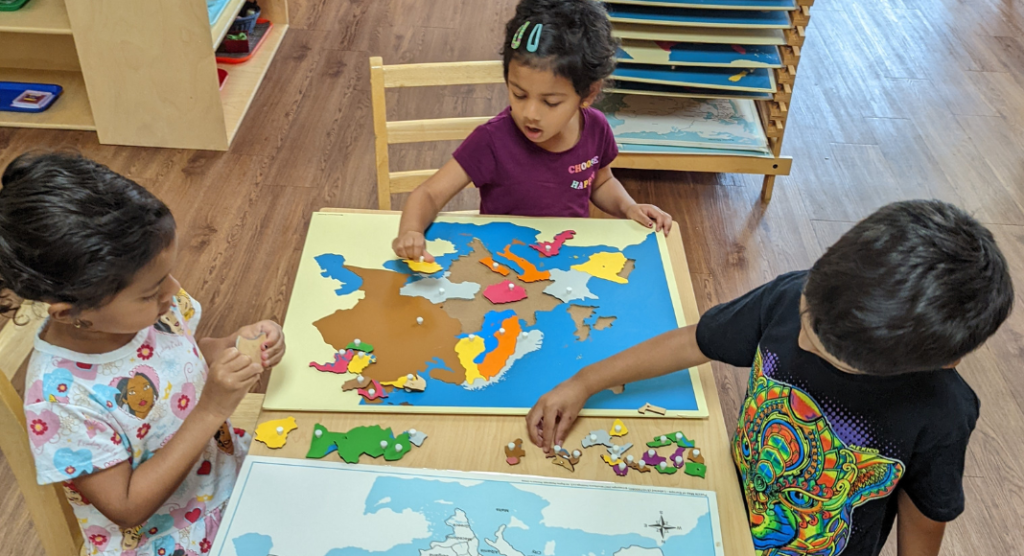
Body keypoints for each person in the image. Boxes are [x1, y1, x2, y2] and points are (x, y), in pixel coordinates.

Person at [527, 200, 1014, 556]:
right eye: (807, 317)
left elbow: (926, 512)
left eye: (827, 352)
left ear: (939, 362)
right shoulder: (798, 295)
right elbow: (697, 340)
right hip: (727, 506)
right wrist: (585, 380)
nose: (801, 338)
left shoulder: (940, 408)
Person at [2, 152, 286, 556]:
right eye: (152, 290)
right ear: (73, 314)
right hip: (169, 536)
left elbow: (182, 357)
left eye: (166, 276)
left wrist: (232, 348)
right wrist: (210, 410)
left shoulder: (153, 309)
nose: (172, 291)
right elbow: (127, 507)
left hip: (226, 472)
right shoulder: (59, 400)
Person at [392, 0, 672, 262]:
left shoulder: (596, 128)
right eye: (519, 94)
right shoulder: (491, 140)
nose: (530, 114)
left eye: (550, 102)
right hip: (502, 260)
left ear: (588, 94)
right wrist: (411, 231)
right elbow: (428, 194)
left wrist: (628, 207)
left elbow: (600, 182)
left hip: (565, 256)